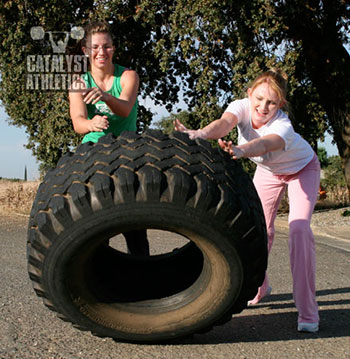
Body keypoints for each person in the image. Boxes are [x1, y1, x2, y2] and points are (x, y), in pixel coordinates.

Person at [174, 69, 321, 333]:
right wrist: (199, 134)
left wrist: (241, 150)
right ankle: (260, 286)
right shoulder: (240, 107)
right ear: (249, 93)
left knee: (299, 229)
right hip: (269, 172)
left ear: (281, 105)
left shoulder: (282, 126)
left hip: (303, 168)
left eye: (272, 102)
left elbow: (265, 144)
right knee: (258, 230)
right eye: (260, 99)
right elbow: (223, 124)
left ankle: (308, 310)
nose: (263, 107)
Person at [69, 21, 149, 256]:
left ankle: (142, 274)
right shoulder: (79, 83)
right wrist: (91, 123)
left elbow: (124, 108)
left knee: (133, 223)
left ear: (113, 49)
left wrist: (104, 96)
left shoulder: (127, 76)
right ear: (85, 51)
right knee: (95, 217)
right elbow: (78, 122)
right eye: (95, 47)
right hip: (94, 152)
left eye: (106, 46)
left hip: (127, 151)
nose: (101, 52)